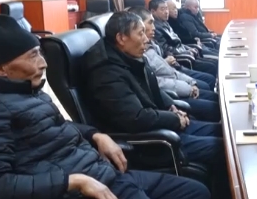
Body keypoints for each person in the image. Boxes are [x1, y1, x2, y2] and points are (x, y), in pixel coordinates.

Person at [0, 14, 209, 199]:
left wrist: (96, 135)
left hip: (104, 173)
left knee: (196, 191)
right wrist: (73, 181)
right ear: (0, 69)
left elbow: (59, 127)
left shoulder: (27, 90)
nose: (43, 63)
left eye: (40, 53)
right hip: (79, 190)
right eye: (32, 56)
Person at [81, 11, 227, 192]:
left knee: (223, 132)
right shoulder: (106, 73)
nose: (146, 39)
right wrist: (174, 119)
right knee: (223, 148)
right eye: (140, 33)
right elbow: (136, 118)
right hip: (152, 141)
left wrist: (170, 106)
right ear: (121, 38)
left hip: (161, 122)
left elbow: (152, 88)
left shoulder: (127, 57)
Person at [139, 7, 220, 122]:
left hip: (176, 72)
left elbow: (170, 66)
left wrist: (191, 82)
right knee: (214, 105)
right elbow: (159, 82)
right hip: (173, 95)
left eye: (168, 8)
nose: (154, 27)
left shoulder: (153, 42)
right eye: (150, 23)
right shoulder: (140, 55)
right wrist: (188, 88)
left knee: (215, 96)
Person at [147, 0, 219, 77]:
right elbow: (166, 50)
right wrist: (186, 51)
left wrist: (188, 48)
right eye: (162, 9)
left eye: (166, 8)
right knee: (212, 67)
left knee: (214, 63)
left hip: (186, 53)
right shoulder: (156, 29)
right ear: (153, 11)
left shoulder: (165, 23)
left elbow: (179, 42)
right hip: (180, 60)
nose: (166, 12)